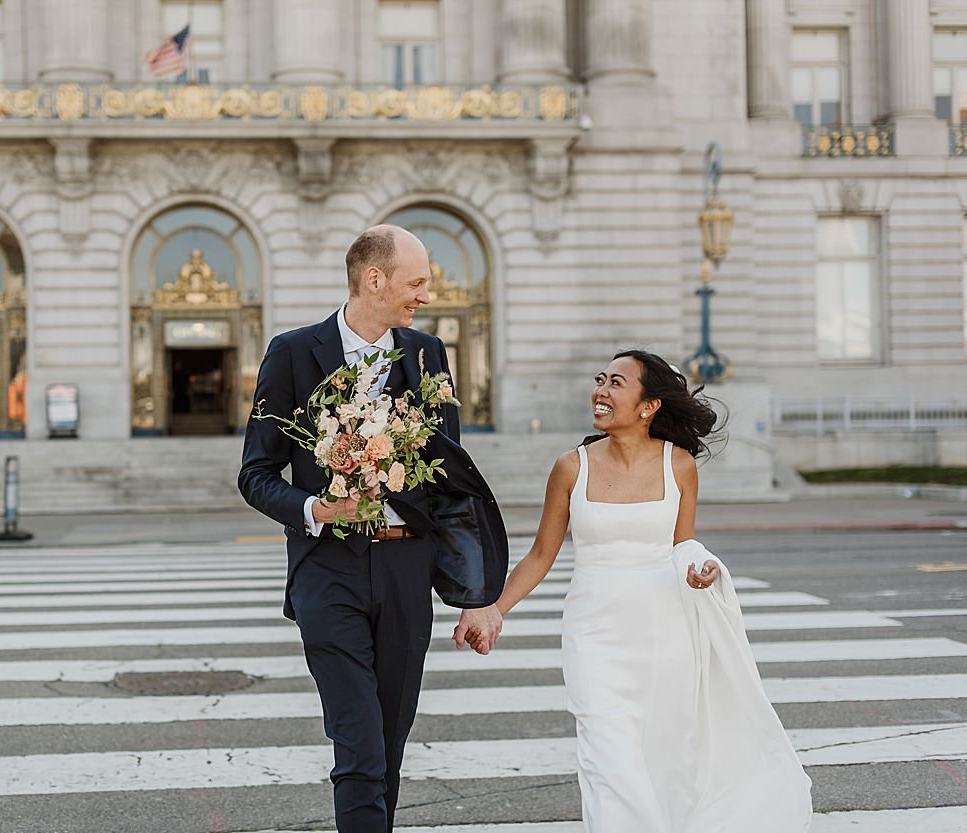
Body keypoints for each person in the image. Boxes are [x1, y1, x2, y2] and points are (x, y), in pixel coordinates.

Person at [454, 350, 812, 831]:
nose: (601, 390)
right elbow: (541, 554)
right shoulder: (571, 467)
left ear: (648, 406)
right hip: (594, 636)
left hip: (666, 636)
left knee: (667, 763)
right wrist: (493, 609)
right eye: (600, 379)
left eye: (616, 383)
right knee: (609, 762)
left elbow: (683, 544)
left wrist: (701, 567)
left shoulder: (679, 465)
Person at [238, 224, 504, 832]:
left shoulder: (429, 354)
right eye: (416, 282)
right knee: (357, 741)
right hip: (327, 569)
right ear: (374, 279)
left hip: (407, 567)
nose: (426, 295)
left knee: (388, 741)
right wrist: (314, 508)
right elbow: (256, 474)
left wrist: (474, 594)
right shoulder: (292, 352)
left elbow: (450, 483)